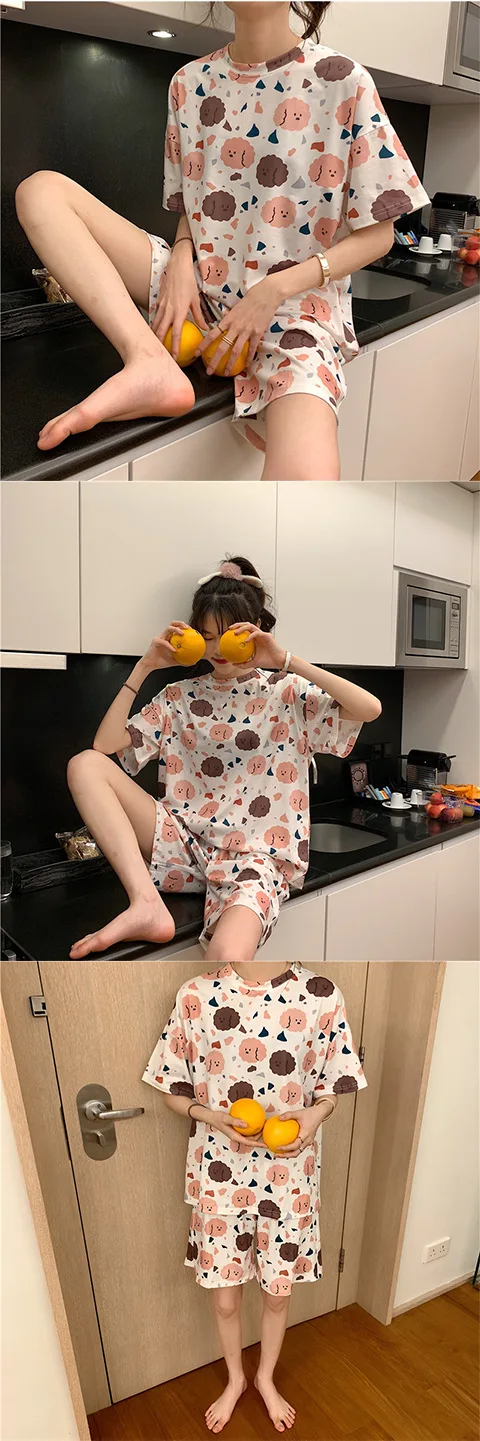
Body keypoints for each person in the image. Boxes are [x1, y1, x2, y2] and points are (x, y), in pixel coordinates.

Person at [15, 1, 429, 479]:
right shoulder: (188, 84)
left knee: (308, 482)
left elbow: (379, 236)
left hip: (291, 318)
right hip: (196, 292)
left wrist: (272, 290)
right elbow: (193, 205)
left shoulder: (343, 80)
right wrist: (181, 257)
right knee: (41, 191)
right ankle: (147, 361)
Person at [66, 557, 381, 960]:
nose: (217, 650)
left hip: (255, 860)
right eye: (207, 636)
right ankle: (145, 903)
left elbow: (369, 709)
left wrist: (284, 660)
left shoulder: (286, 692)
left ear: (256, 630)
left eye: (229, 635)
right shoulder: (179, 697)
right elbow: (105, 745)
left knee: (226, 956)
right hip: (184, 848)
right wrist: (145, 666)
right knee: (84, 764)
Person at [143, 959, 368, 1433]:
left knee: (277, 1296)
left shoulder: (322, 995)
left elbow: (332, 1086)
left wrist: (317, 1114)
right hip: (220, 1176)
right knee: (226, 1301)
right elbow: (169, 1086)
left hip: (288, 1178)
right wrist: (211, 1115)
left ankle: (264, 1378)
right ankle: (236, 1379)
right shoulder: (196, 995)